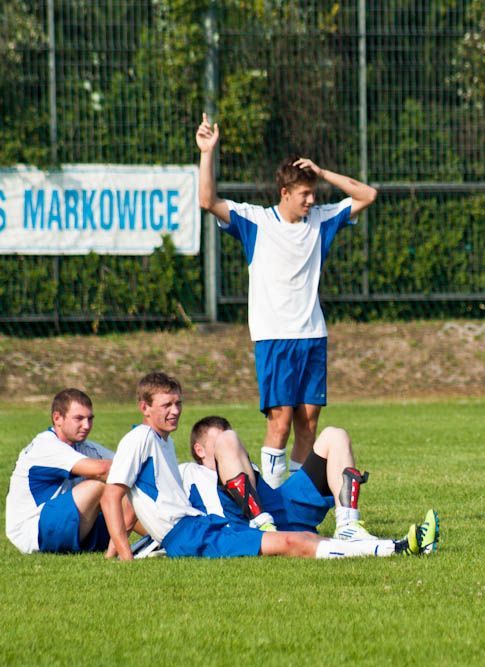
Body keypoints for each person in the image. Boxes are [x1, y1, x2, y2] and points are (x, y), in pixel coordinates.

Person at [196, 113, 377, 488]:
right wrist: (207, 152)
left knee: (308, 424)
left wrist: (322, 172)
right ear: (284, 194)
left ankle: (297, 499)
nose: (312, 200)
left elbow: (368, 195)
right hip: (274, 336)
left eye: (313, 193)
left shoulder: (323, 220)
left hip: (312, 335)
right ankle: (274, 497)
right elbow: (207, 200)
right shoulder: (255, 221)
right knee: (279, 423)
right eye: (304, 194)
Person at [100, 372, 437, 560]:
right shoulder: (152, 445)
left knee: (335, 436)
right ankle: (395, 547)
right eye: (167, 404)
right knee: (298, 542)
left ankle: (352, 527)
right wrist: (126, 556)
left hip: (259, 507)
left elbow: (139, 500)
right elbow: (116, 497)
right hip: (221, 526)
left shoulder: (161, 444)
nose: (175, 410)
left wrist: (113, 553)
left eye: (178, 403)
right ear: (144, 407)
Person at [180, 416, 437, 551]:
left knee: (335, 434)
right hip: (248, 524)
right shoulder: (188, 473)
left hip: (279, 505)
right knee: (230, 439)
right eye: (219, 441)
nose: (229, 445)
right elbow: (164, 510)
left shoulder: (239, 461)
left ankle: (348, 525)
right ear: (199, 450)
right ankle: (263, 526)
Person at [5, 389, 135, 555]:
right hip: (35, 533)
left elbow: (123, 464)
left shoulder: (83, 446)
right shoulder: (45, 446)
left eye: (90, 419)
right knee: (102, 484)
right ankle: (131, 551)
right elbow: (103, 470)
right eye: (79, 418)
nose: (86, 425)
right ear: (57, 418)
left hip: (67, 524)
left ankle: (160, 536)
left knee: (127, 486)